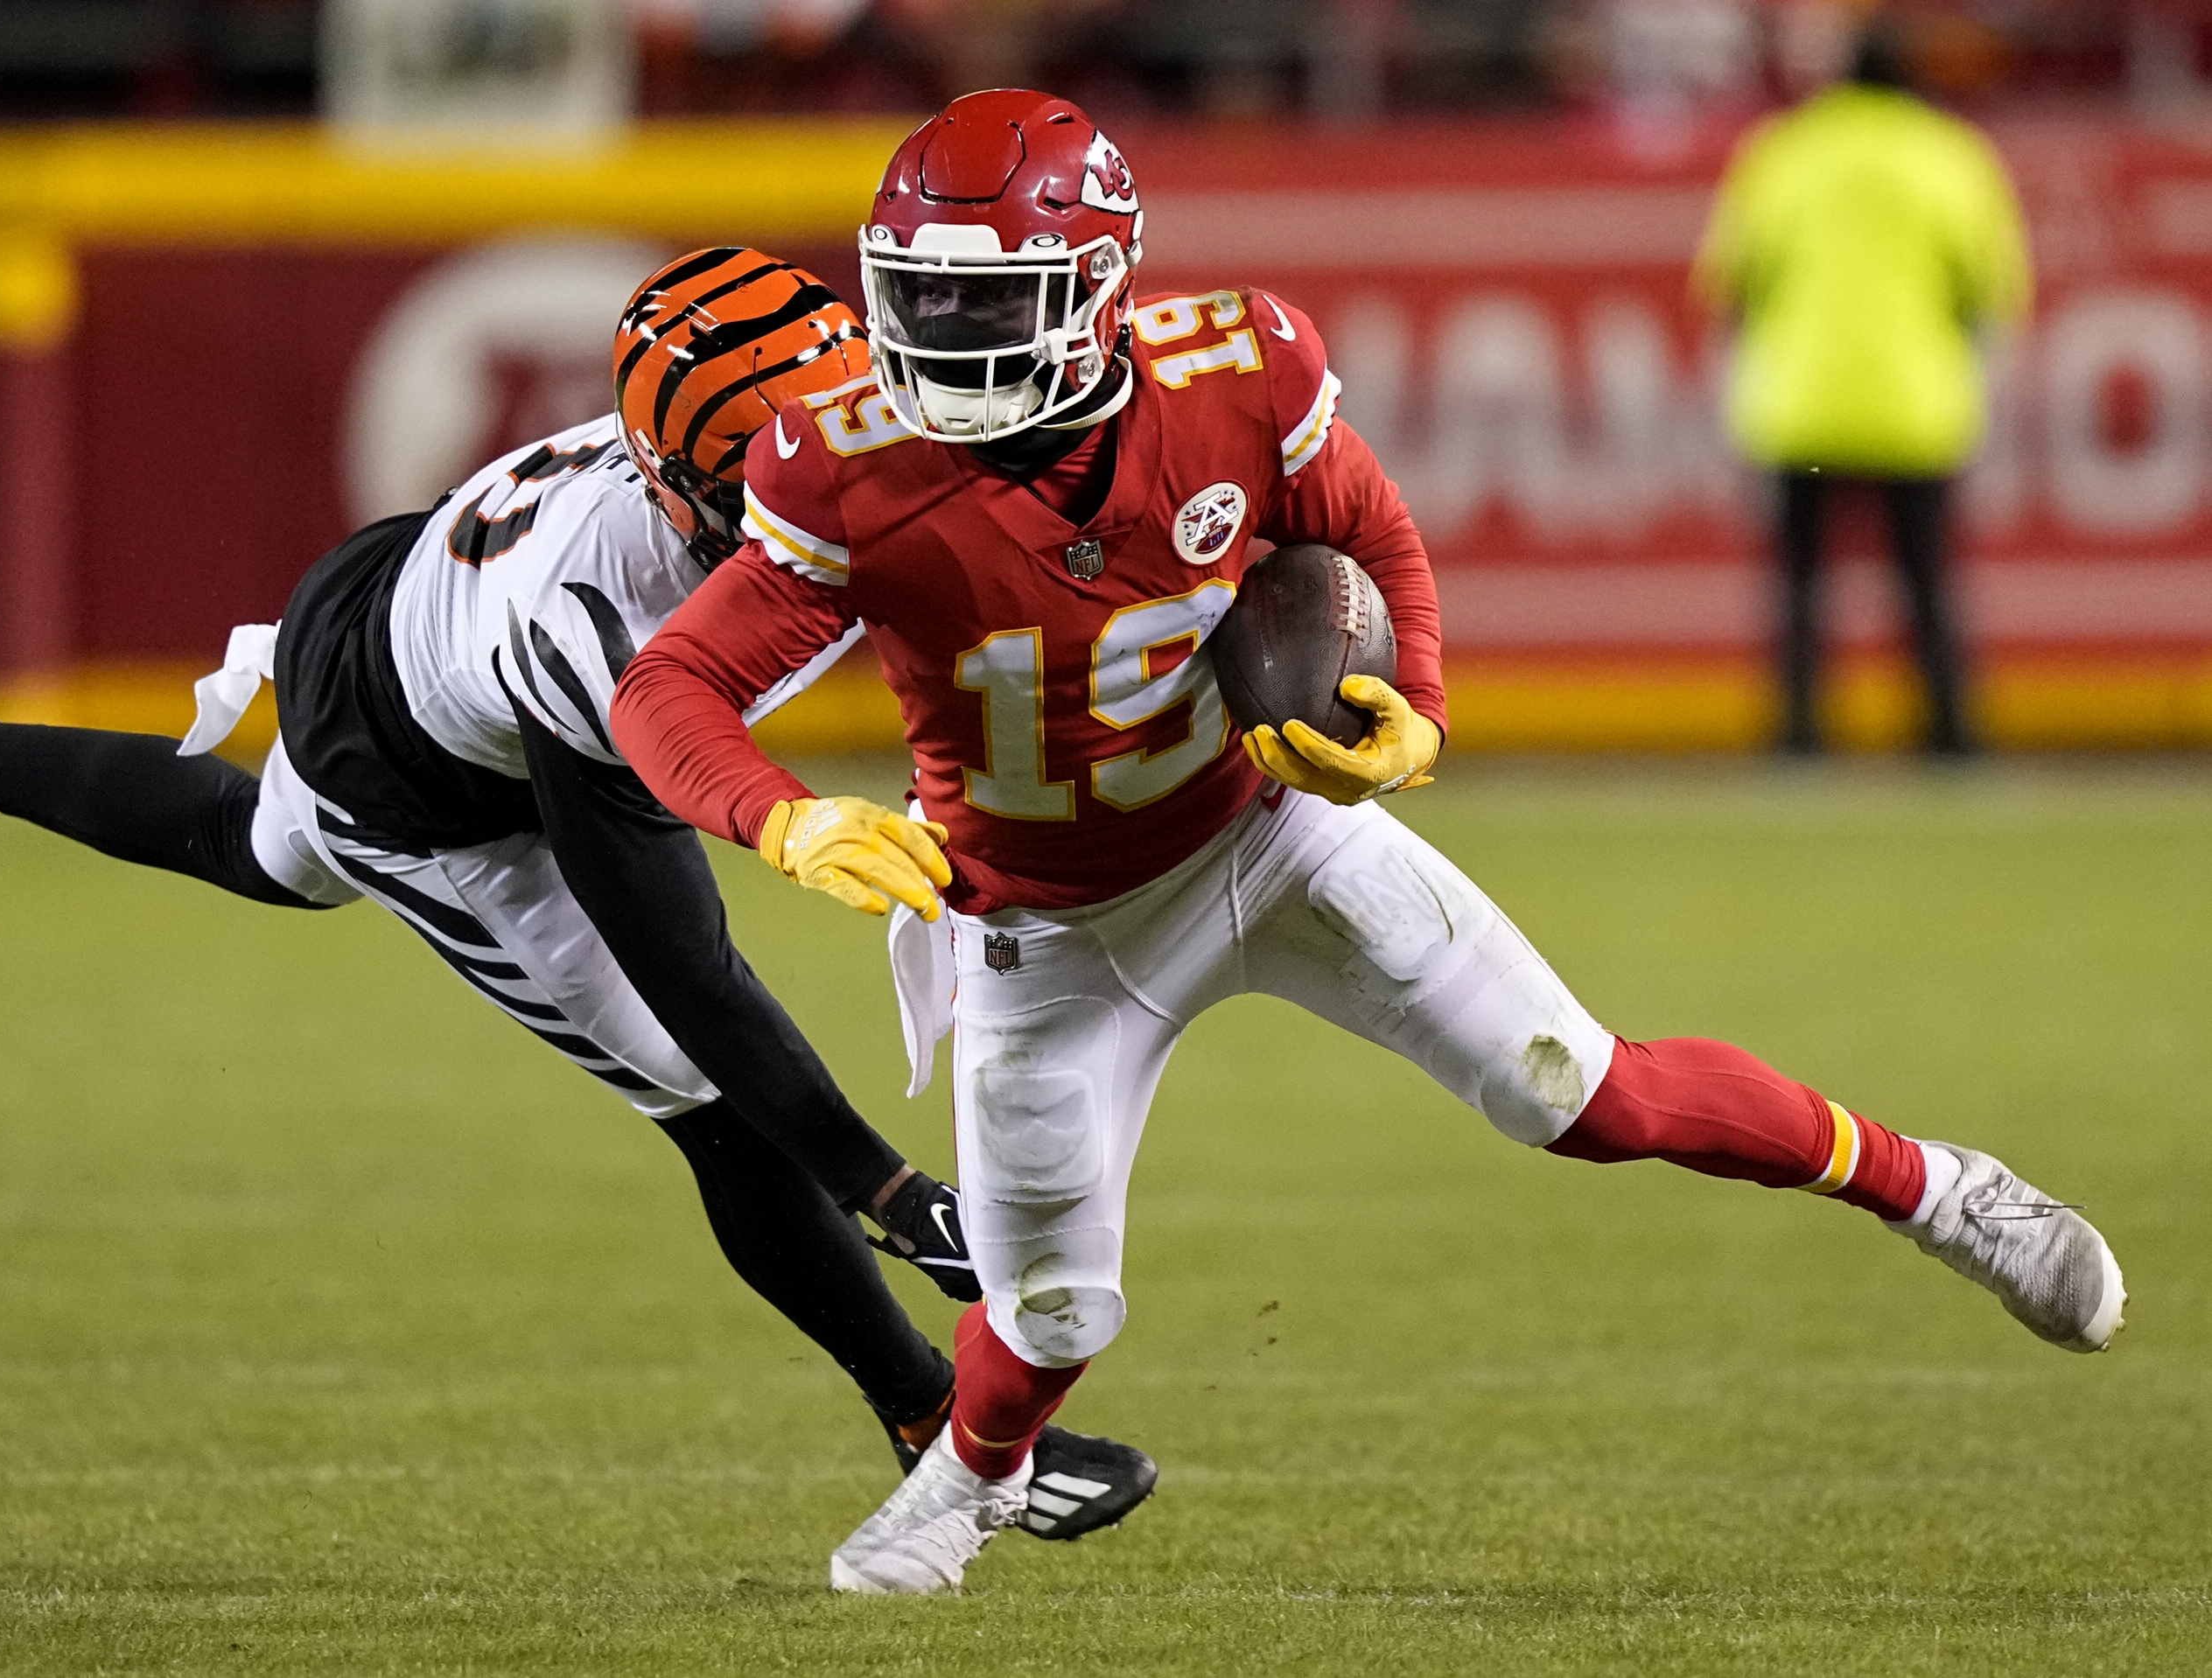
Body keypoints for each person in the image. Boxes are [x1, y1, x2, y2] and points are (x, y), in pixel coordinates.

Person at [609, 93, 2125, 1596]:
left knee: (1577, 1090)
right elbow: (670, 685)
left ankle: (1939, 1189)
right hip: (1046, 923)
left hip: (1276, 837)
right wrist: (781, 812)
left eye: (982, 295)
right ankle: (971, 1476)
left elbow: (1370, 526)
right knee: (1053, 1311)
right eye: (917, 290)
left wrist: (1422, 711)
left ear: (1094, 283)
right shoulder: (841, 460)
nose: (941, 330)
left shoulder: (1240, 373)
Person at [0, 248, 1155, 1540]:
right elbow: (679, 960)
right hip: (433, 771)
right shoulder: (603, 628)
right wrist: (883, 1183)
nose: (826, 492)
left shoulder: (747, 476)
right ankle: (937, 1433)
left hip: (407, 603)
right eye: (769, 477)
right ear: (683, 483)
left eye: (839, 438)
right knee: (711, 1099)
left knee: (258, 854)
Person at [1694, 22, 2030, 755]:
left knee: (1800, 587)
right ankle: (1947, 737)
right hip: (1915, 402)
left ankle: (1798, 737)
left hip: (1800, 401)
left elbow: (1729, 281)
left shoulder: (1783, 150)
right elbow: (1995, 288)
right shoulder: (1951, 155)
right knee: (1927, 583)